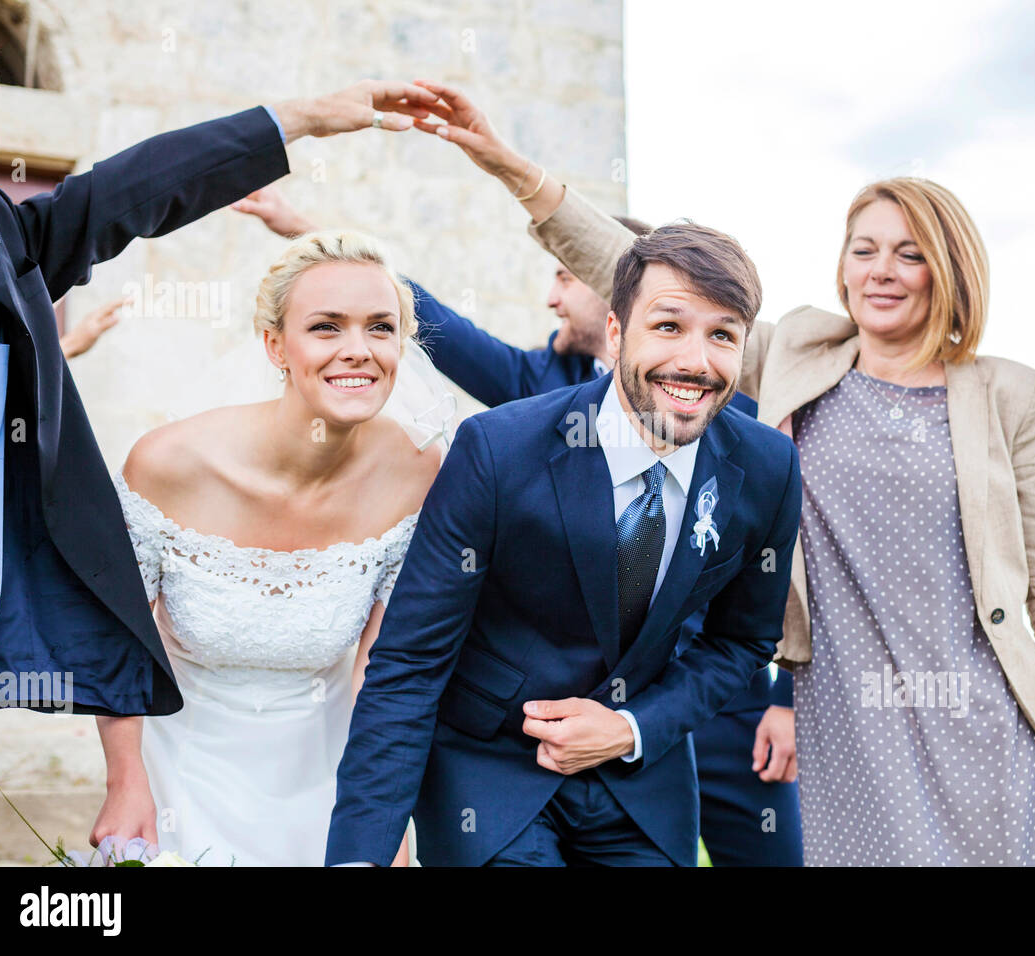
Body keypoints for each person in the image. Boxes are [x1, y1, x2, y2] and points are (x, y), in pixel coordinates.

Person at [412, 82, 1035, 867]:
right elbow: (634, 268)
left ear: (949, 268)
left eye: (910, 252)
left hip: (979, 717)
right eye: (864, 249)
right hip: (840, 722)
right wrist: (507, 164)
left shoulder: (1013, 396)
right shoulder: (790, 355)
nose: (882, 271)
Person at [0, 3, 442, 865]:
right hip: (193, 769)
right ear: (276, 346)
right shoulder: (176, 462)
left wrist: (296, 120)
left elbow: (121, 194)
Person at [235, 186, 802, 865]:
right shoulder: (498, 450)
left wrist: (629, 727)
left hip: (642, 786)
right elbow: (410, 663)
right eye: (669, 326)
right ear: (618, 333)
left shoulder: (768, 467)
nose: (695, 361)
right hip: (490, 772)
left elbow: (739, 644)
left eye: (722, 336)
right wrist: (361, 852)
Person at [90, 231, 445, 866]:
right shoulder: (168, 463)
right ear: (275, 345)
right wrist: (126, 783)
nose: (358, 351)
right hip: (178, 769)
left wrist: (382, 815)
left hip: (331, 774)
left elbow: (381, 666)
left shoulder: (416, 469)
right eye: (327, 328)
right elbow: (117, 644)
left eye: (381, 328)